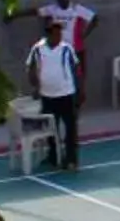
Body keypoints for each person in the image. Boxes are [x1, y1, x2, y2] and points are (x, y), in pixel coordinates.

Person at [24, 18, 85, 170]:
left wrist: (80, 90)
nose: (59, 36)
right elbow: (31, 67)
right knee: (51, 128)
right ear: (49, 34)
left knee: (70, 128)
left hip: (66, 93)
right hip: (47, 95)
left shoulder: (66, 48)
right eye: (56, 33)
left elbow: (77, 69)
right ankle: (53, 156)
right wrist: (35, 85)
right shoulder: (38, 49)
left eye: (60, 33)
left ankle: (71, 158)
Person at [37, 0, 99, 75]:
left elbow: (95, 19)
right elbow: (35, 12)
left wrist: (84, 34)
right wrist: (14, 15)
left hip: (75, 49)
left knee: (78, 76)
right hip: (58, 50)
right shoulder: (53, 9)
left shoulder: (77, 9)